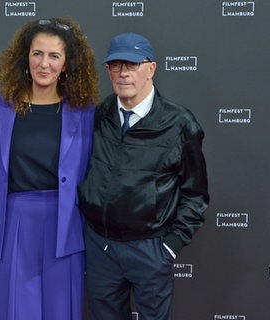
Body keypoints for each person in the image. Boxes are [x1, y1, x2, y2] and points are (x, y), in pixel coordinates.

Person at [77, 33, 210, 320]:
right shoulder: (100, 115)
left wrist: (170, 247)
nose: (123, 73)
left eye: (133, 64)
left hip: (150, 249)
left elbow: (195, 194)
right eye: (116, 65)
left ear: (151, 68)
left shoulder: (179, 123)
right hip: (101, 247)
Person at [0, 16, 99, 320]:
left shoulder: (85, 111)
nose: (44, 63)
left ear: (66, 64)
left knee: (62, 310)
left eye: (54, 56)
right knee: (15, 309)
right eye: (37, 54)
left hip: (65, 223)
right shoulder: (0, 105)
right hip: (15, 222)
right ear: (25, 57)